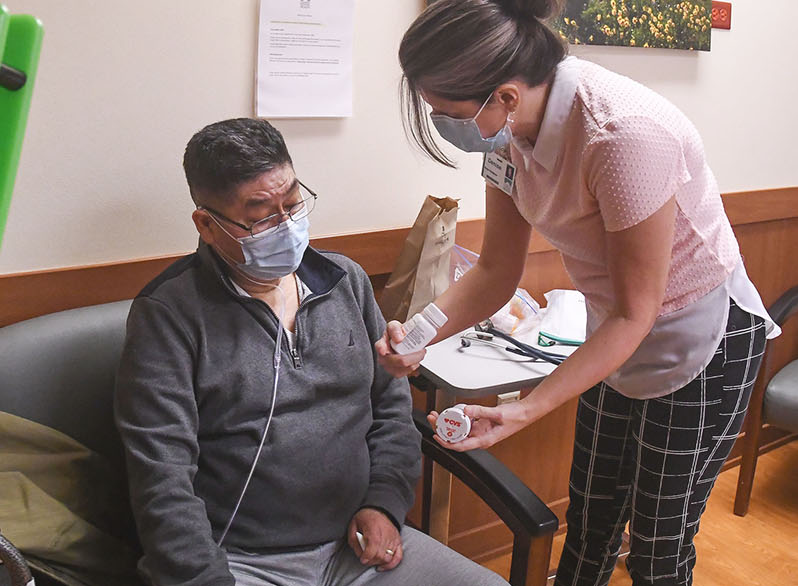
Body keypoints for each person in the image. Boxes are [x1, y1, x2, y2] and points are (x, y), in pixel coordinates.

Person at [382, 1, 781, 585]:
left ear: (506, 95)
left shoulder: (622, 135)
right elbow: (495, 270)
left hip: (703, 335)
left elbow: (635, 310)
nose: (441, 121)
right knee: (590, 522)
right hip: (615, 330)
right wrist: (418, 335)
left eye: (448, 111)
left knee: (657, 548)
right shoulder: (506, 137)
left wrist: (527, 407)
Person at [114, 118, 506, 586]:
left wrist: (383, 503)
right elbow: (162, 475)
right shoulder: (168, 315)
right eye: (261, 215)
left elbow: (391, 411)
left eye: (294, 204)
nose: (285, 226)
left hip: (356, 543)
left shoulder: (344, 282)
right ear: (208, 224)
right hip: (241, 561)